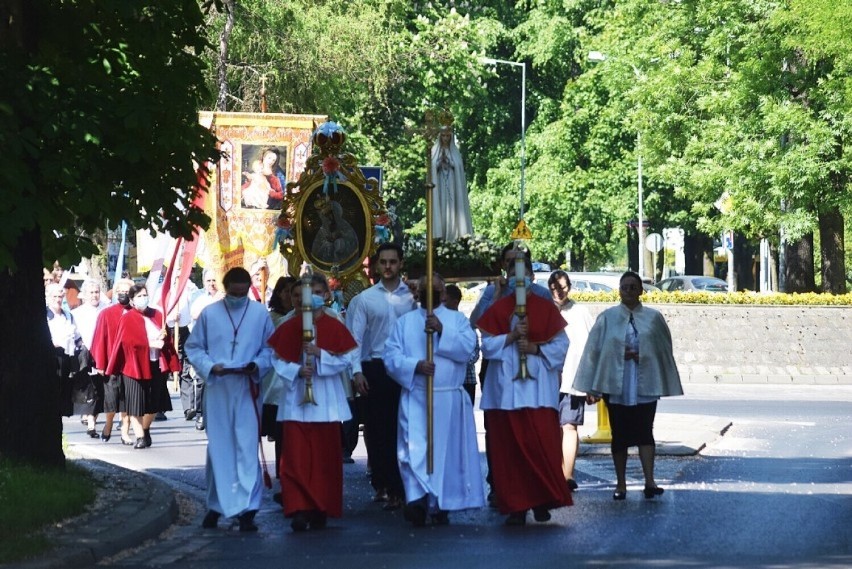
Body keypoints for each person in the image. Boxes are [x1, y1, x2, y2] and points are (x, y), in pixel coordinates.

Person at [573, 271, 684, 501]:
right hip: (617, 385)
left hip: (646, 384)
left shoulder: (653, 318)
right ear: (619, 290)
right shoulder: (607, 317)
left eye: (634, 287)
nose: (629, 291)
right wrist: (594, 382)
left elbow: (662, 349)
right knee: (620, 435)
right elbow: (595, 351)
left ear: (641, 290)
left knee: (646, 432)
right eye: (625, 287)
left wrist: (642, 354)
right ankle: (621, 484)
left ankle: (650, 481)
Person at [384, 274, 485, 526]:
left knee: (445, 453)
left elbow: (469, 350)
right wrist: (415, 365)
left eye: (435, 289)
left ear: (443, 293)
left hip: (448, 398)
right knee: (412, 448)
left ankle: (440, 503)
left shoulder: (456, 320)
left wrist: (442, 330)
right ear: (417, 293)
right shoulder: (405, 322)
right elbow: (391, 357)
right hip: (416, 394)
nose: (430, 293)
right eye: (424, 288)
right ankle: (416, 499)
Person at [476, 264, 573, 526]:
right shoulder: (498, 308)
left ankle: (542, 501)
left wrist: (534, 348)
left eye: (524, 275)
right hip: (506, 393)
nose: (519, 280)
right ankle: (516, 506)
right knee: (510, 453)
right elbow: (487, 346)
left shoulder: (544, 308)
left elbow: (562, 345)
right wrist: (510, 336)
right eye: (514, 275)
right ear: (507, 278)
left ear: (531, 277)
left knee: (540, 446)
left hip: (537, 392)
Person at [185, 267, 275, 532]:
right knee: (220, 448)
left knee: (246, 447)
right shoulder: (210, 314)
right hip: (219, 387)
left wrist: (257, 365)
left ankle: (247, 509)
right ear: (225, 290)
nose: (238, 298)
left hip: (247, 387)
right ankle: (216, 505)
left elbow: (270, 349)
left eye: (243, 293)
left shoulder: (260, 314)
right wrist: (211, 366)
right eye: (233, 293)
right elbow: (193, 347)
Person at [268, 272, 357, 532]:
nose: (309, 300)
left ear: (325, 296)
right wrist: (297, 370)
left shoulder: (334, 325)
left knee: (324, 459)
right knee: (295, 458)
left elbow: (346, 359)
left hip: (326, 399)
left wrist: (321, 357)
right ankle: (298, 507)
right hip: (296, 399)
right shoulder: (287, 325)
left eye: (315, 294)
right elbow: (276, 359)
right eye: (302, 295)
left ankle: (320, 506)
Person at [468, 244, 551, 504]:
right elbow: (477, 324)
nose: (514, 270)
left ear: (530, 271)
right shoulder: (493, 291)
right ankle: (501, 484)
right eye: (509, 263)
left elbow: (552, 331)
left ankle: (536, 491)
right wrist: (497, 297)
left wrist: (535, 348)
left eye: (520, 264)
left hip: (533, 372)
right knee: (500, 433)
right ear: (503, 266)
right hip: (500, 371)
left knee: (532, 434)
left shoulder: (541, 295)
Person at [347, 242, 417, 510]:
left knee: (405, 428)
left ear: (400, 264)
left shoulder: (412, 297)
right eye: (384, 262)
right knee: (378, 431)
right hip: (375, 367)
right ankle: (385, 483)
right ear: (376, 265)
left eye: (393, 262)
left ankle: (403, 485)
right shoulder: (365, 299)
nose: (388, 267)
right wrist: (356, 371)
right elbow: (355, 339)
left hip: (406, 368)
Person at [105, 284, 179, 449]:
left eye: (144, 295)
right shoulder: (128, 317)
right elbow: (127, 342)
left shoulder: (158, 315)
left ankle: (145, 429)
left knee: (154, 404)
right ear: (131, 300)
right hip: (134, 366)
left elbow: (166, 337)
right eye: (138, 296)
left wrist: (165, 338)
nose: (142, 298)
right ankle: (139, 437)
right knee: (136, 402)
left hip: (155, 364)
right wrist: (150, 343)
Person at [548, 270, 596, 492]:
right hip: (547, 378)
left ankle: (567, 475)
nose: (558, 292)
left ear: (570, 287)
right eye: (555, 287)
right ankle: (552, 472)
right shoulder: (542, 310)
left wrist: (591, 383)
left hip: (572, 379)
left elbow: (591, 349)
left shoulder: (580, 312)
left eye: (563, 287)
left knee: (569, 425)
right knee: (550, 428)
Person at [90, 278, 135, 443]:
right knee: (112, 398)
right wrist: (100, 363)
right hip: (111, 364)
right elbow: (99, 339)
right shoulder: (106, 313)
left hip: (131, 364)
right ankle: (108, 423)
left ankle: (125, 431)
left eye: (126, 291)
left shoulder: (136, 313)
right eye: (120, 291)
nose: (123, 294)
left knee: (127, 399)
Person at [262, 275, 297, 480]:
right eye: (287, 291)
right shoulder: (273, 318)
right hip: (277, 380)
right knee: (282, 430)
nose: (290, 296)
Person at [71, 279, 105, 438]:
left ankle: (92, 418)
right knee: (89, 388)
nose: (94, 295)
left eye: (96, 292)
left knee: (100, 388)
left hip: (103, 354)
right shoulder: (77, 314)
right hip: (86, 354)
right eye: (91, 292)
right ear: (84, 295)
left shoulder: (106, 310)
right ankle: (91, 424)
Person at [46, 283, 84, 419]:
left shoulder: (68, 315)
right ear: (49, 298)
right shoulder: (45, 316)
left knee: (65, 389)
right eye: (54, 296)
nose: (58, 299)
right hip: (52, 357)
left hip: (68, 356)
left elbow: (78, 336)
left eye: (60, 296)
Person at [430, 125, 473, 242]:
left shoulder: (455, 152)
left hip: (453, 187)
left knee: (453, 210)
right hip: (439, 186)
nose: (445, 139)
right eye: (443, 136)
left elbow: (458, 167)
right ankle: (440, 236)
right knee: (441, 210)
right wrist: (439, 163)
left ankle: (454, 236)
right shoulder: (434, 151)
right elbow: (431, 168)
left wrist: (450, 163)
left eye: (448, 136)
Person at [444, 284, 479, 406]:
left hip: (466, 380)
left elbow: (474, 354)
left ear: (454, 302)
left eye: (444, 301)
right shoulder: (438, 324)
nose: (441, 304)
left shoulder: (467, 324)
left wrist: (457, 357)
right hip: (447, 381)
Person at [311, 197, 359, 266]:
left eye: (330, 214)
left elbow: (353, 244)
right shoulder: (323, 229)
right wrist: (327, 244)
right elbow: (316, 250)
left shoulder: (345, 226)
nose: (329, 217)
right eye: (326, 215)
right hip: (325, 264)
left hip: (344, 262)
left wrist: (340, 238)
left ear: (336, 213)